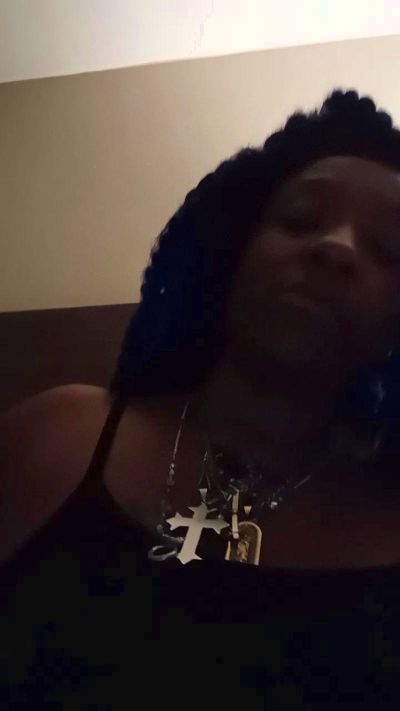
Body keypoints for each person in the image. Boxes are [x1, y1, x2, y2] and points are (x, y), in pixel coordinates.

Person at [1, 88, 400, 706]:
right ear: (226, 257)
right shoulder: (60, 436)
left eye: (390, 251)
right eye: (301, 218)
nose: (336, 247)